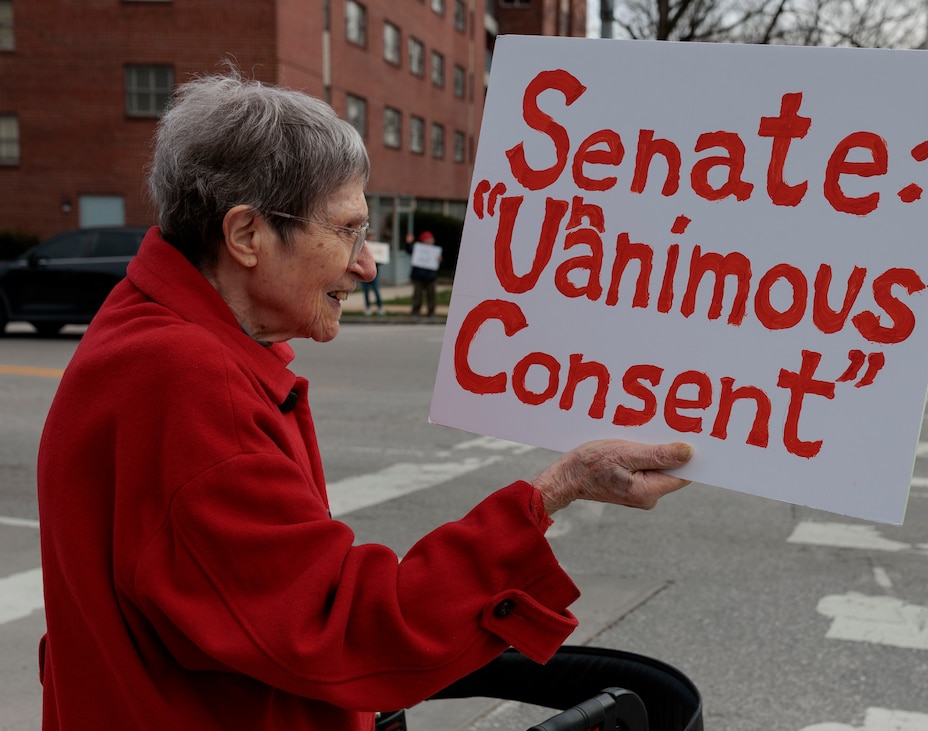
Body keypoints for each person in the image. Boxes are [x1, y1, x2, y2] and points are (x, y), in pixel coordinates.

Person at [35, 69, 694, 731]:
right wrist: (558, 485)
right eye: (347, 230)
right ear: (246, 235)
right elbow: (342, 623)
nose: (367, 264)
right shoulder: (187, 381)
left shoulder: (148, 333)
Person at [408, 230, 441, 316]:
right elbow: (409, 250)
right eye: (428, 239)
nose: (430, 241)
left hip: (431, 277)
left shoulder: (434, 251)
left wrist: (440, 260)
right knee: (417, 295)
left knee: (431, 295)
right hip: (418, 276)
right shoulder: (418, 249)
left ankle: (431, 311)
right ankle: (416, 310)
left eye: (431, 239)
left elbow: (440, 263)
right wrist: (409, 243)